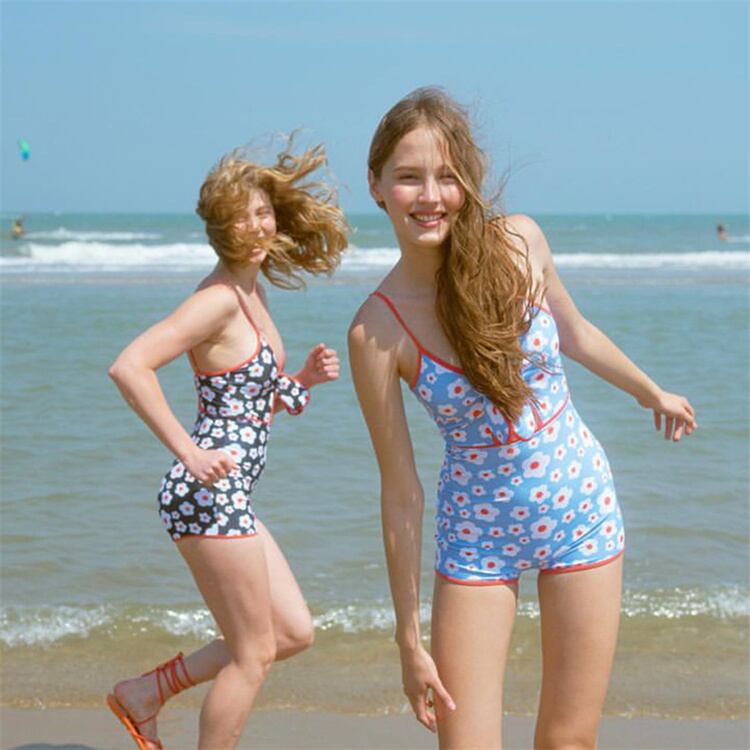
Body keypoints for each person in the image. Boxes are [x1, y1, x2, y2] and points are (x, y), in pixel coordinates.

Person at [348, 88, 697, 749]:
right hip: (477, 539)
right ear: (376, 185)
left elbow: (575, 333)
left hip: (581, 509)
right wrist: (407, 641)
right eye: (409, 177)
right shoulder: (376, 331)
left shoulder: (519, 242)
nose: (430, 196)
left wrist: (649, 391)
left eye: (448, 176)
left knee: (568, 740)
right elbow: (401, 490)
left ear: (469, 180)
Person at [106, 140, 347, 750]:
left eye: (264, 212)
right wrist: (188, 453)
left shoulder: (251, 292)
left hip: (230, 494)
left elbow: (244, 403)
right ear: (221, 227)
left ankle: (145, 693)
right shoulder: (215, 300)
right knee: (254, 652)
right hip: (206, 493)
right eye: (243, 216)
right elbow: (130, 366)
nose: (258, 225)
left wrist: (301, 382)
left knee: (291, 632)